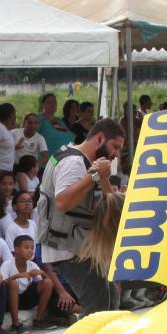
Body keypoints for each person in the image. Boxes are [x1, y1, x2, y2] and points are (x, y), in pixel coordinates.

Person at [37, 118, 125, 315]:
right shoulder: (73, 162)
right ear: (100, 138)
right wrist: (93, 177)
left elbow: (108, 201)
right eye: (115, 147)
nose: (116, 154)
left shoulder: (83, 160)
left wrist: (102, 177)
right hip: (68, 247)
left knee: (110, 300)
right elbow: (62, 202)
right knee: (98, 308)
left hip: (80, 245)